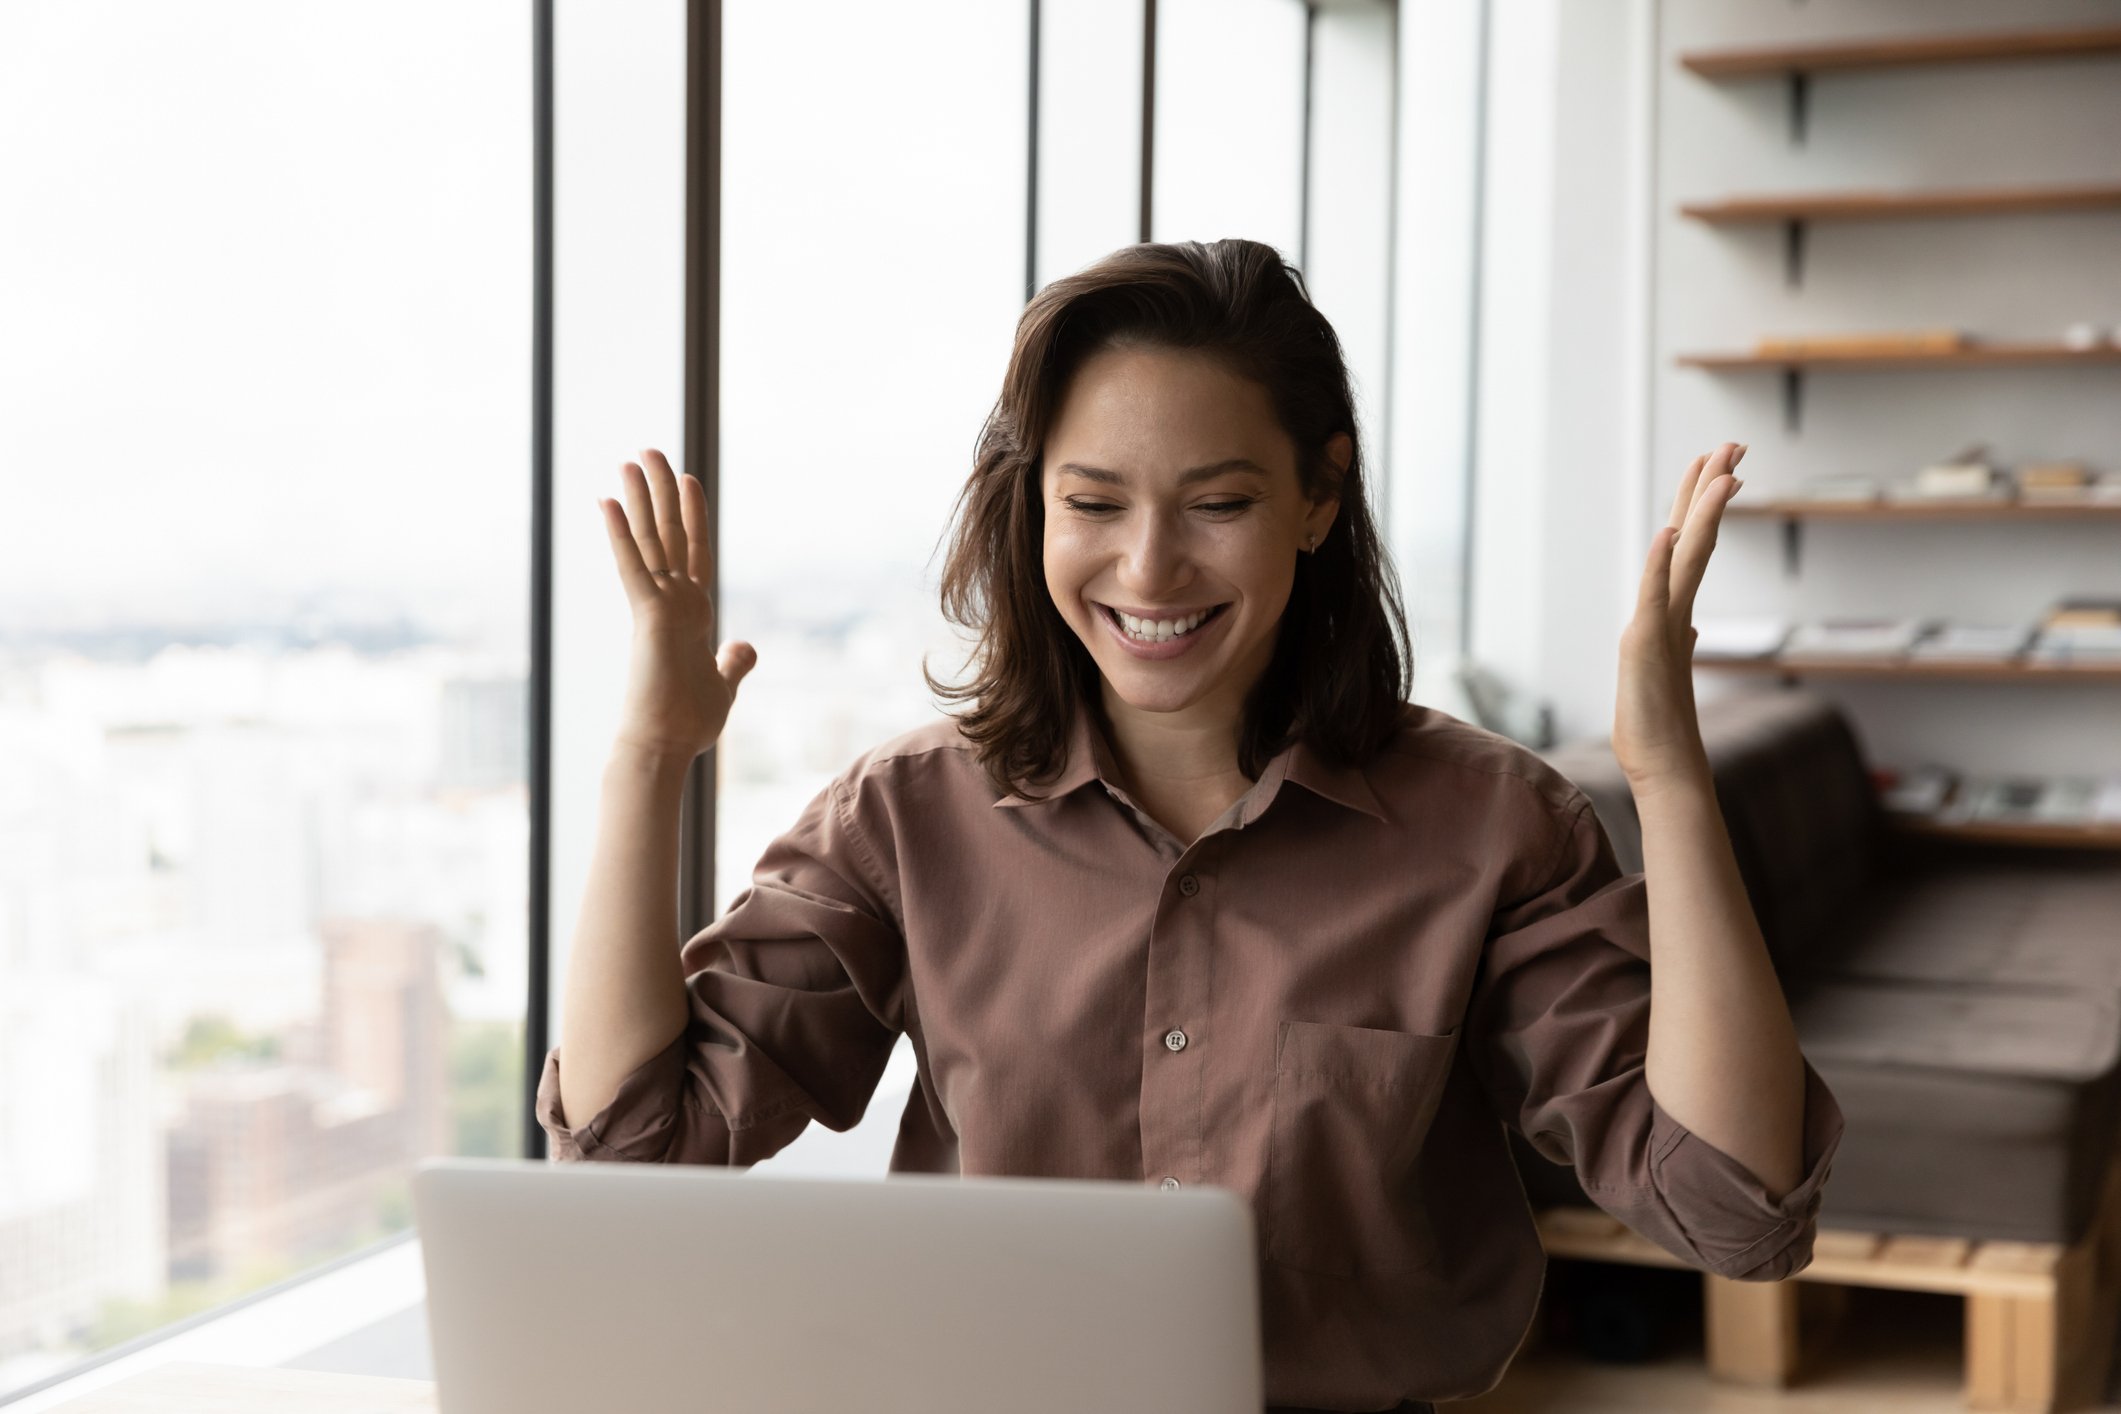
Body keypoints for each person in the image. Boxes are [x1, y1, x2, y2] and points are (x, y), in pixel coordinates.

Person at [535, 238, 1844, 1413]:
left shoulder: (1490, 824)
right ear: (1031, 501)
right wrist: (647, 757)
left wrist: (1668, 775)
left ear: (1318, 499)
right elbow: (636, 1146)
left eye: (1216, 503)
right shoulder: (905, 816)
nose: (1148, 569)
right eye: (1092, 503)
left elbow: (1730, 1207)